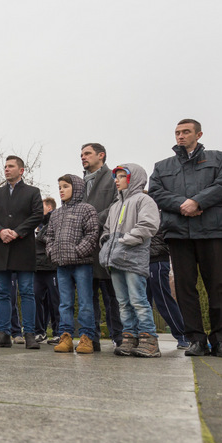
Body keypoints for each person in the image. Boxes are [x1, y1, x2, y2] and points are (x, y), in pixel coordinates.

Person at [148, 118, 222, 358]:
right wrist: (182, 204)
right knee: (185, 287)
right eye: (177, 132)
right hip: (179, 233)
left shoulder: (219, 158)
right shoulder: (162, 166)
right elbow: (156, 192)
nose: (180, 136)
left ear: (199, 134)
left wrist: (198, 202)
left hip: (212, 230)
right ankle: (196, 339)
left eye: (186, 132)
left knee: (217, 286)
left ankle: (221, 340)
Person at [99, 165, 160, 357]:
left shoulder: (144, 200)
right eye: (116, 177)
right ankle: (129, 337)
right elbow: (107, 230)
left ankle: (149, 339)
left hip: (133, 260)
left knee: (138, 300)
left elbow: (148, 225)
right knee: (123, 302)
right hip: (115, 260)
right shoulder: (115, 206)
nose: (117, 180)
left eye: (121, 176)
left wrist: (124, 240)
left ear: (133, 178)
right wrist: (106, 244)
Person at [0, 156, 44, 350]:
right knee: (2, 293)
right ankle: (4, 333)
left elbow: (37, 215)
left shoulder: (33, 192)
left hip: (23, 248)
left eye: (11, 166)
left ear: (21, 170)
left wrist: (18, 232)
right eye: (5, 166)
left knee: (26, 291)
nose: (6, 169)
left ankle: (29, 334)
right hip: (1, 248)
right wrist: (1, 231)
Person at [41, 175, 98, 353]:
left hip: (82, 264)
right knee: (64, 303)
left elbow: (92, 234)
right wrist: (52, 252)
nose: (61, 190)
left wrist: (78, 251)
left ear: (77, 188)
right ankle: (65, 336)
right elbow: (49, 236)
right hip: (62, 265)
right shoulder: (56, 214)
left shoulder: (87, 209)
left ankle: (87, 337)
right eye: (59, 187)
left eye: (65, 186)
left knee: (85, 302)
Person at [77, 142, 123, 350]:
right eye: (81, 154)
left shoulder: (113, 178)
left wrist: (92, 220)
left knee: (113, 295)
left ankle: (119, 337)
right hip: (84, 248)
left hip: (106, 245)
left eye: (87, 153)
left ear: (101, 155)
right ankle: (91, 337)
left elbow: (117, 205)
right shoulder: (79, 183)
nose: (83, 157)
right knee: (88, 296)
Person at [34, 198, 60, 342]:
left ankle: (58, 332)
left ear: (49, 208)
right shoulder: (36, 223)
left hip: (51, 267)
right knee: (36, 298)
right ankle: (39, 331)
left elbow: (51, 240)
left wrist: (39, 235)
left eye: (41, 206)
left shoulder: (55, 221)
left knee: (55, 301)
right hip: (37, 268)